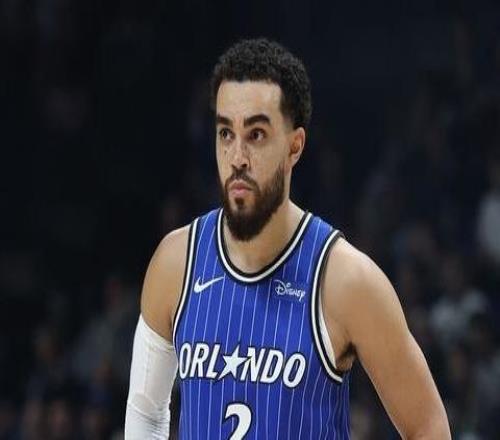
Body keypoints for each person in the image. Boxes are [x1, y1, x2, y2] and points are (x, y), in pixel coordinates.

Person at [124, 38, 451, 439]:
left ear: (294, 147)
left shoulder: (346, 279)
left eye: (256, 134)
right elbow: (145, 410)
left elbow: (429, 427)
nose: (237, 157)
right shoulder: (176, 262)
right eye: (226, 133)